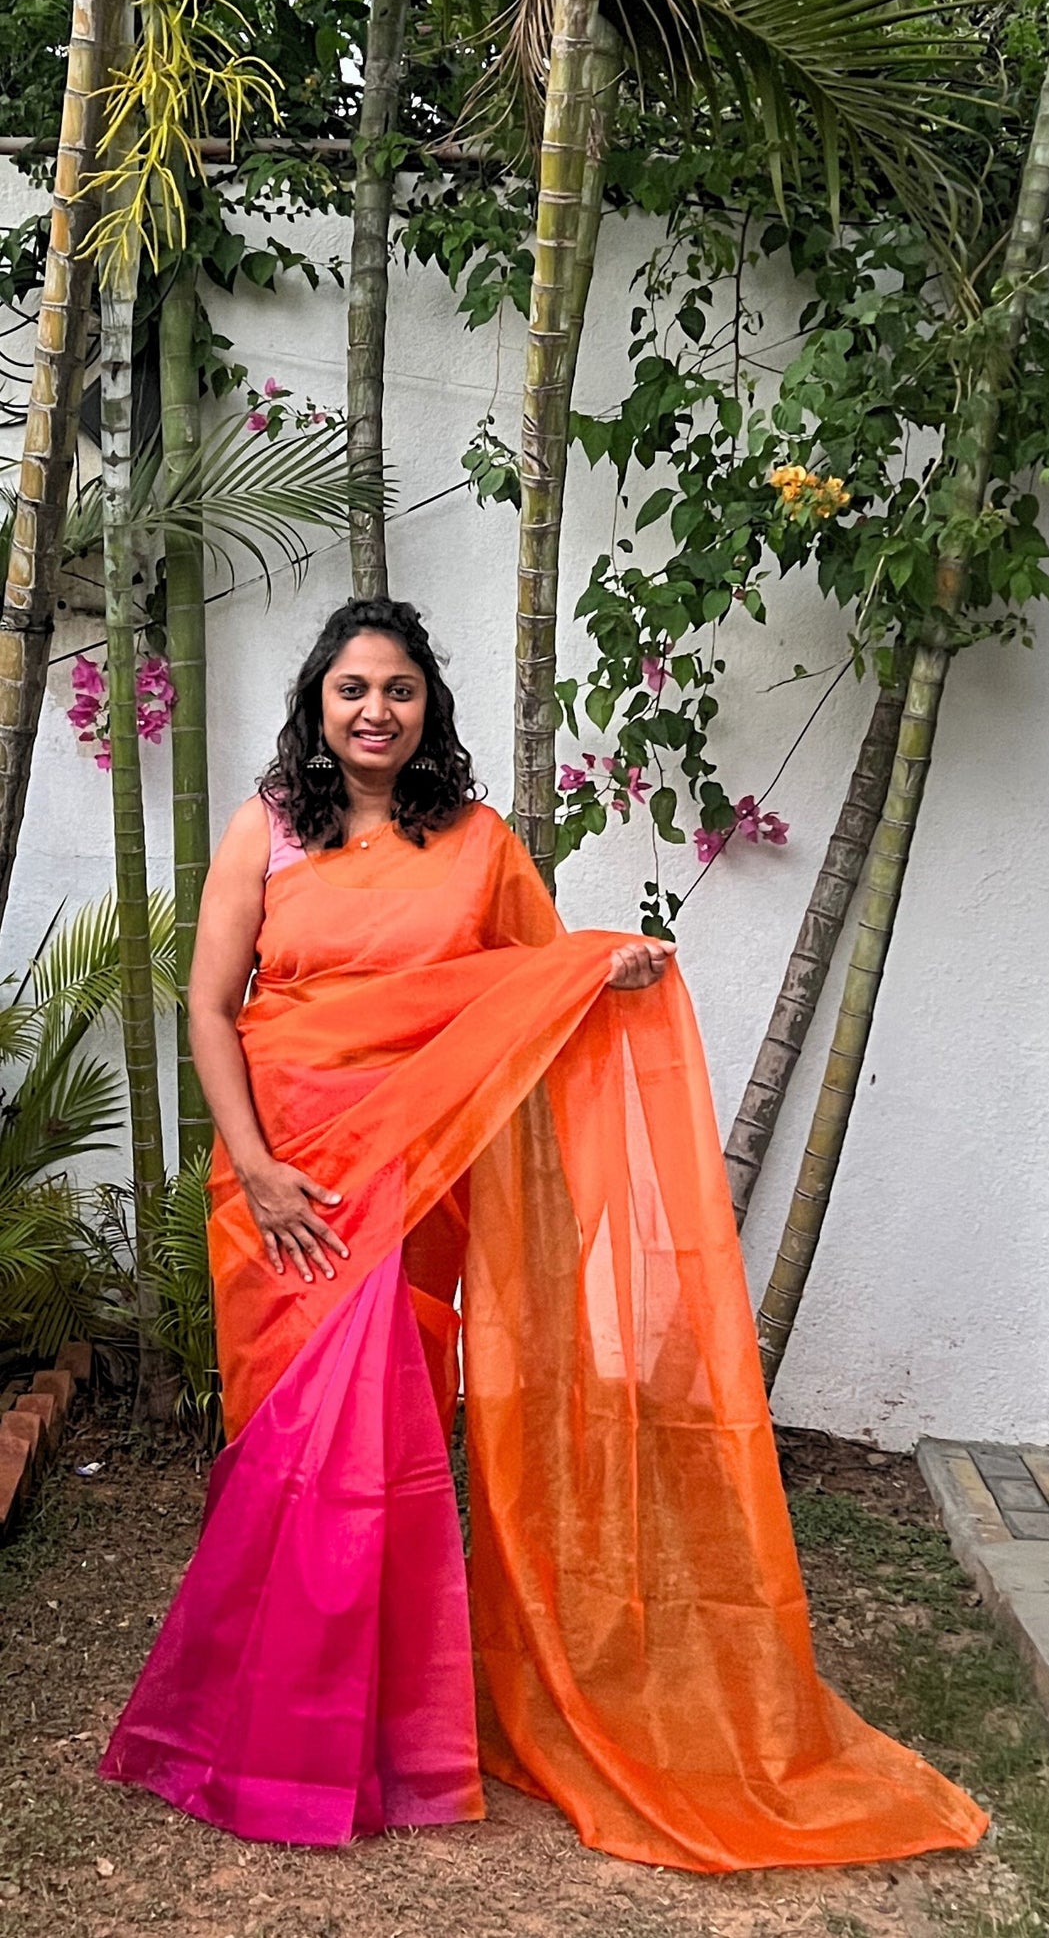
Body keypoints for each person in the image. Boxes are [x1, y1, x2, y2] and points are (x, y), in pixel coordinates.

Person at [102, 598, 986, 1870]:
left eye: (399, 688)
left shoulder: (473, 839)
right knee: (289, 1444)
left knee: (385, 1443)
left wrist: (601, 968)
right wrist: (257, 1163)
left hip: (416, 1180)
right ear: (316, 700)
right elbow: (209, 1003)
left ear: (427, 709)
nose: (374, 709)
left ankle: (382, 1743)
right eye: (352, 687)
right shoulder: (267, 829)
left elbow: (523, 985)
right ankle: (262, 1728)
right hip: (288, 1186)